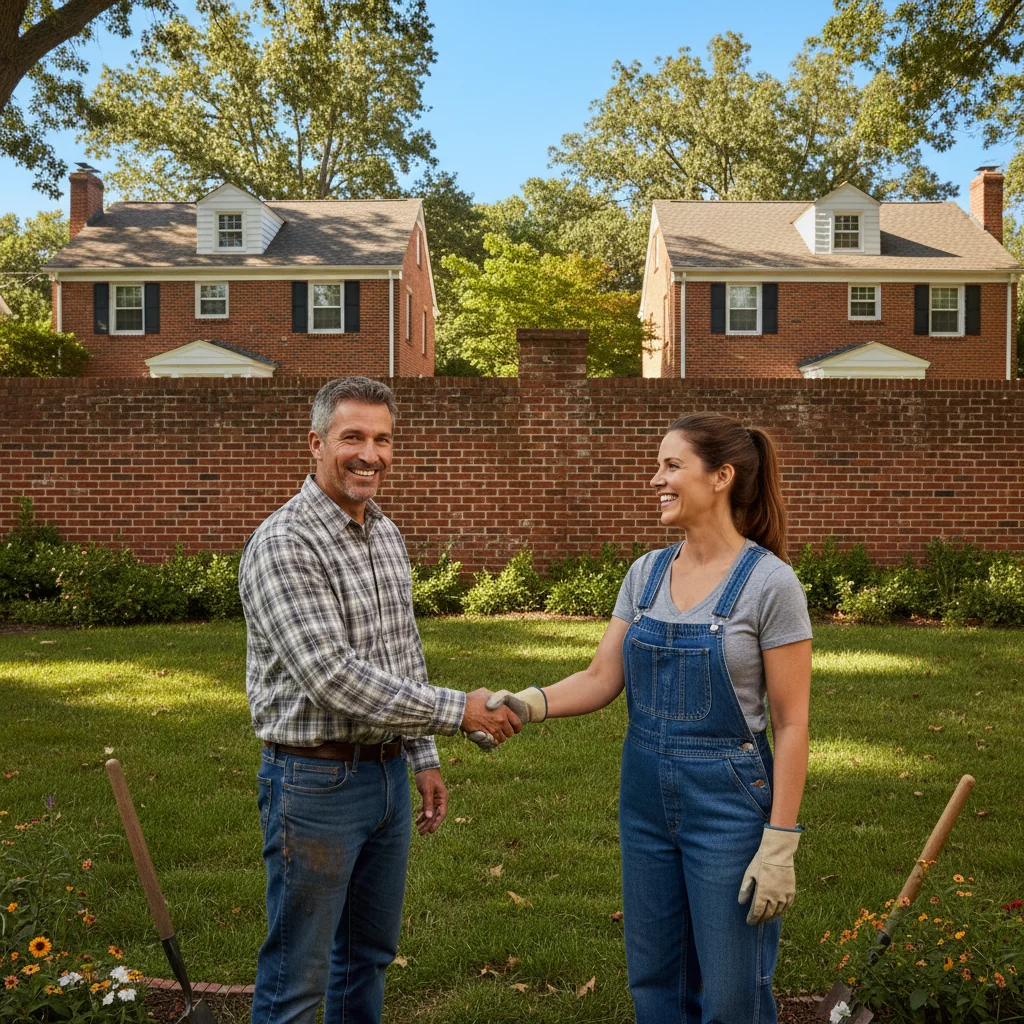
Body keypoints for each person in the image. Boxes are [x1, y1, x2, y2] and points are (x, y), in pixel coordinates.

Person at [487, 412, 812, 1023]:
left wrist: (780, 841)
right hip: (644, 798)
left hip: (729, 804)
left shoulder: (771, 584)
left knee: (733, 991)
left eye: (671, 465)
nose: (654, 479)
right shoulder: (647, 573)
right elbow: (600, 677)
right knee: (657, 982)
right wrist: (527, 703)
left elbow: (792, 724)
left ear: (721, 477)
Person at [238, 376, 521, 1024]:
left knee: (365, 957)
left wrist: (420, 756)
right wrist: (458, 712)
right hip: (314, 783)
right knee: (298, 976)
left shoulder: (384, 533)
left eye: (382, 438)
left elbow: (400, 652)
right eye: (353, 437)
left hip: (388, 777)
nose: (370, 453)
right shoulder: (287, 543)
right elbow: (332, 676)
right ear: (316, 443)